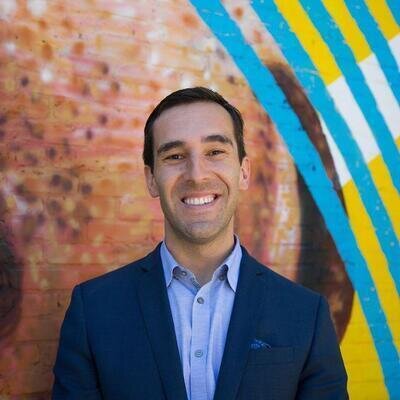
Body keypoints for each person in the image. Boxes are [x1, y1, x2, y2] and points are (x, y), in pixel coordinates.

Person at [52, 87, 348, 399]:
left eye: (215, 152)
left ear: (243, 172)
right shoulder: (94, 310)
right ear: (151, 179)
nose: (196, 175)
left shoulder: (306, 314)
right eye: (175, 156)